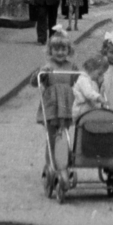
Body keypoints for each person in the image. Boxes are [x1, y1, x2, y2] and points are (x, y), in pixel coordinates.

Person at [32, 28, 78, 188]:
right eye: (56, 49)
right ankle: (51, 165)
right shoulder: (48, 66)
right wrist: (41, 73)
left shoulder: (72, 66)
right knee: (52, 137)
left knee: (64, 135)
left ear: (69, 50)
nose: (60, 52)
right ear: (50, 50)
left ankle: (64, 164)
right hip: (51, 106)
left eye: (63, 49)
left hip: (66, 105)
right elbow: (35, 81)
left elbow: (80, 81)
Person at [71, 54, 108, 124]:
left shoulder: (94, 81)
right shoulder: (83, 79)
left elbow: (97, 92)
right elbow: (89, 93)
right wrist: (99, 98)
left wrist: (100, 85)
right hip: (81, 110)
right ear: (91, 69)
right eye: (99, 74)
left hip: (91, 110)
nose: (100, 76)